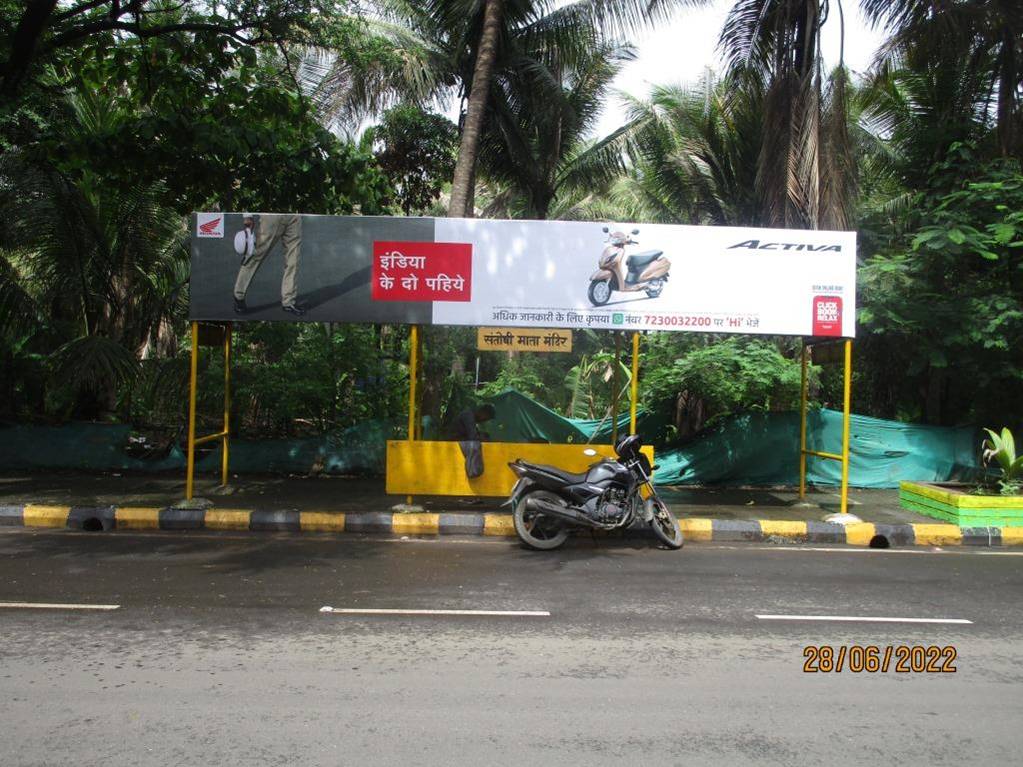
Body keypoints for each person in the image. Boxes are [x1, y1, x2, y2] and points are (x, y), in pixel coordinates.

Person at [233, 213, 306, 316]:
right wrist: (247, 216)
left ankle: (289, 302)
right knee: (256, 254)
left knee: (293, 259)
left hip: (294, 216)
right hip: (272, 215)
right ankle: (238, 295)